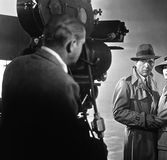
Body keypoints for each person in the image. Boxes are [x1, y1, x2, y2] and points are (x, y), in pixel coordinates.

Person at [0, 14, 107, 160]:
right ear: (72, 44)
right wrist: (99, 150)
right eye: (81, 45)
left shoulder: (14, 66)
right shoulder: (62, 82)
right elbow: (67, 146)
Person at [112, 44, 161, 160]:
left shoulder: (153, 83)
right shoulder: (125, 83)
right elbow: (118, 113)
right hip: (136, 139)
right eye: (143, 61)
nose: (147, 65)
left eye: (150, 61)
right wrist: (144, 119)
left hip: (153, 139)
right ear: (136, 62)